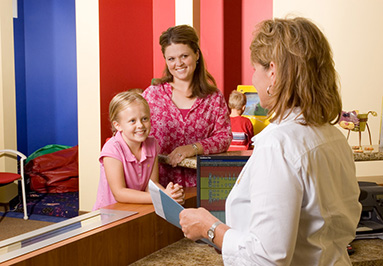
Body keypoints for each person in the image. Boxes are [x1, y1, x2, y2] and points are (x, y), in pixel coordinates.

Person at [179, 17, 362, 265]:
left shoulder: (279, 144)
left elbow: (267, 257)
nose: (253, 79)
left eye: (255, 69)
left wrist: (209, 228)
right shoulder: (333, 136)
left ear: (273, 72)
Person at [143, 25, 232, 188]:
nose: (178, 63)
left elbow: (224, 137)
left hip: (202, 186)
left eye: (184, 56)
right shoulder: (152, 95)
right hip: (161, 187)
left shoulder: (213, 98)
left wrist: (193, 148)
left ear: (196, 54)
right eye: (171, 59)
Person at [93, 91, 184, 210]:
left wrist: (170, 194)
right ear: (118, 125)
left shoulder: (152, 144)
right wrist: (162, 198)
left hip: (136, 210)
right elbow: (119, 193)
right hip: (110, 214)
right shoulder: (112, 149)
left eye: (144, 119)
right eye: (132, 121)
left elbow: (151, 185)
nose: (140, 125)